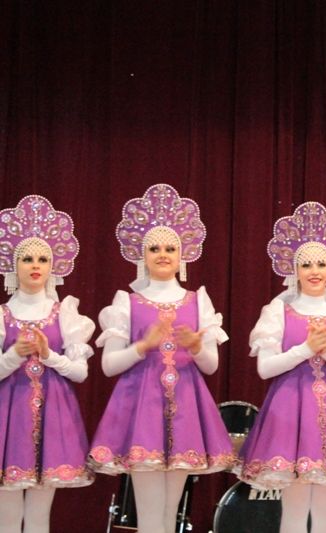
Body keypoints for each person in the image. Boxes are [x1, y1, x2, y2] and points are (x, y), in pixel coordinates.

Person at [88, 184, 235, 533]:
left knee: (171, 513)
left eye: (170, 248)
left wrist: (196, 345)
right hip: (142, 410)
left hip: (186, 408)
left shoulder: (198, 301)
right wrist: (143, 345)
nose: (163, 254)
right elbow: (109, 365)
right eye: (154, 248)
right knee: (151, 513)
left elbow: (211, 365)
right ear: (143, 255)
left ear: (182, 255)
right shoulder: (126, 302)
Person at [237, 201, 326, 533]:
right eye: (306, 264)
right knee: (293, 509)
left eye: (321, 264)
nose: (314, 271)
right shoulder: (277, 312)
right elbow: (265, 368)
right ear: (295, 270)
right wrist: (306, 348)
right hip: (290, 413)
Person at [0, 195, 94, 533]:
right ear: (14, 265)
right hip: (7, 419)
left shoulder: (65, 314)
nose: (35, 265)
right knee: (7, 515)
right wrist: (15, 354)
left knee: (40, 515)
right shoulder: (2, 315)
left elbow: (80, 372)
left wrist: (49, 354)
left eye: (42, 258)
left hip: (54, 417)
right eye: (27, 258)